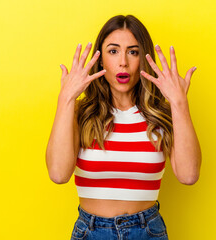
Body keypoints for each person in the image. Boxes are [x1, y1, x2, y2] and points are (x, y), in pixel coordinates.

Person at [46, 14, 202, 240]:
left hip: (148, 231)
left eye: (133, 51)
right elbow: (58, 174)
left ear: (144, 59)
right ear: (100, 60)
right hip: (91, 232)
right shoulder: (80, 113)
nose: (123, 62)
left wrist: (179, 103)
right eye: (113, 51)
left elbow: (189, 175)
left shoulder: (162, 115)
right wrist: (66, 99)